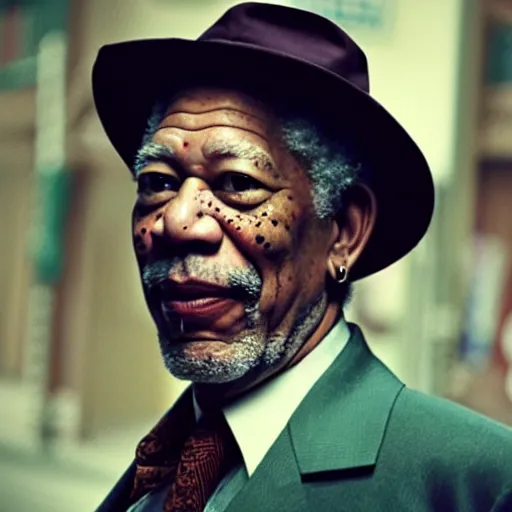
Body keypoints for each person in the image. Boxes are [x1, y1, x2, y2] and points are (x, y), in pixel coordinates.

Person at [92, 3, 512, 511]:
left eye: (237, 184)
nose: (177, 222)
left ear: (343, 231)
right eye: (157, 182)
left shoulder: (477, 484)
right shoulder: (164, 462)